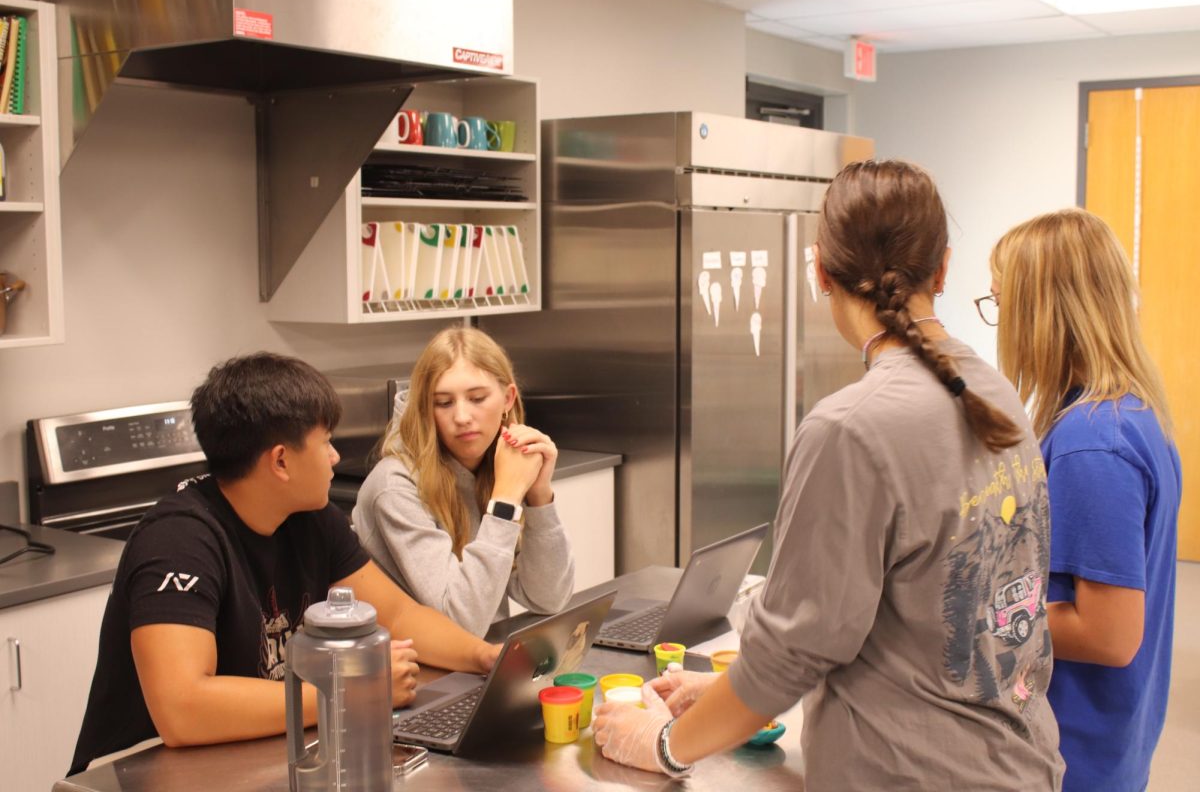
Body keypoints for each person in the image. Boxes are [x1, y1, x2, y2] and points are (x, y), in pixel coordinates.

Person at [592, 160, 1065, 788]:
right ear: (945, 268)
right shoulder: (996, 391)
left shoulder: (851, 427)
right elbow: (907, 620)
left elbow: (790, 654)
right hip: (1019, 763)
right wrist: (725, 690)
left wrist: (661, 745)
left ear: (819, 270)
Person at [69, 353, 501, 776]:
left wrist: (482, 656)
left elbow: (400, 614)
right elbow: (183, 709)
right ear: (280, 460)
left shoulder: (311, 517)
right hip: (144, 770)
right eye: (326, 442)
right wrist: (355, 692)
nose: (334, 457)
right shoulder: (178, 540)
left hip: (257, 750)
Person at [988, 209, 1181, 792]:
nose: (997, 322)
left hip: (1074, 755)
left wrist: (979, 615)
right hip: (1108, 743)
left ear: (1039, 309)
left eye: (999, 302)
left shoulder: (1092, 445)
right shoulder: (1126, 415)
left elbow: (1108, 635)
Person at [353, 326, 574, 637]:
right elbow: (459, 625)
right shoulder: (394, 486)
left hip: (478, 663)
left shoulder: (499, 462)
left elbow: (549, 598)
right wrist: (506, 501)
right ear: (425, 409)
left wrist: (539, 497)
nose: (462, 416)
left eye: (477, 398)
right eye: (443, 403)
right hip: (416, 673)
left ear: (508, 398)